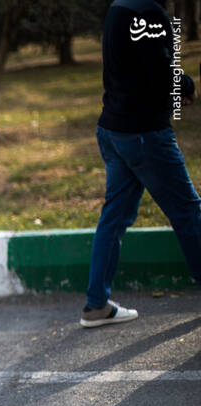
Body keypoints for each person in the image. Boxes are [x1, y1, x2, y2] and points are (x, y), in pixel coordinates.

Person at [81, 0, 201, 328]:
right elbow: (159, 76)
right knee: (189, 211)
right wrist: (187, 87)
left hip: (114, 131)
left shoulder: (119, 7)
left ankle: (96, 305)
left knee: (115, 217)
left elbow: (136, 68)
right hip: (144, 135)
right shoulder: (149, 14)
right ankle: (96, 304)